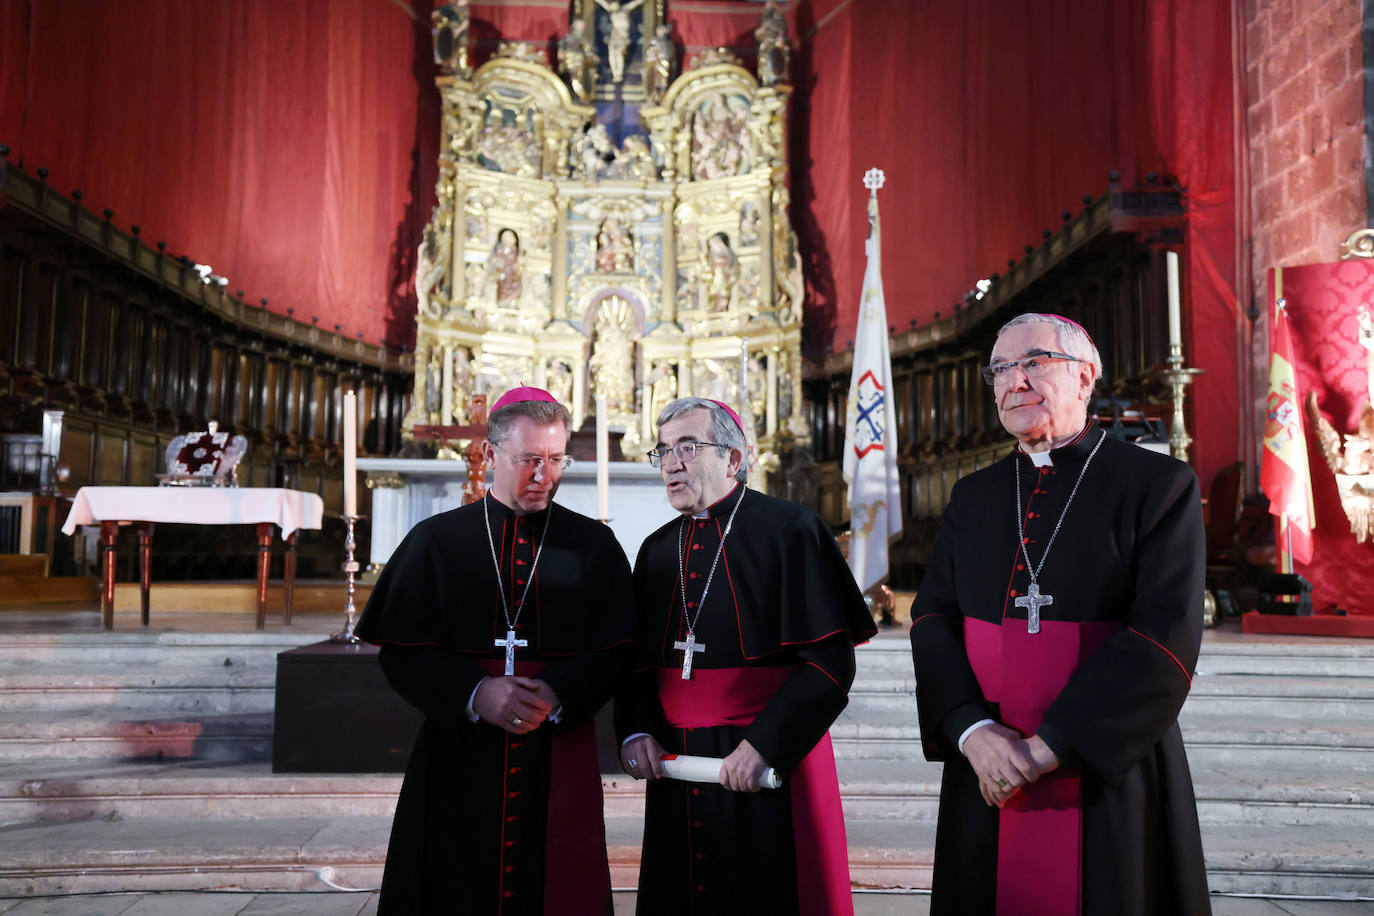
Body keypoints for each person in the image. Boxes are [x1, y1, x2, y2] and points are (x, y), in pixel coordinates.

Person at [909, 313, 1211, 915]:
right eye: (1000, 370)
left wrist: (1047, 748)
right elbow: (931, 618)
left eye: (1034, 363)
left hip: (1103, 768)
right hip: (988, 764)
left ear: (1084, 376)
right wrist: (971, 732)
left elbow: (1164, 637)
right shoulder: (975, 496)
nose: (1014, 381)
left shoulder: (1160, 485)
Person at [357, 386, 636, 915]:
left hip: (557, 745)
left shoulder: (592, 546)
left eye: (556, 460)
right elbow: (400, 651)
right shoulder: (435, 541)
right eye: (529, 459)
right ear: (490, 455)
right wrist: (475, 692)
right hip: (458, 749)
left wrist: (557, 691)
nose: (544, 476)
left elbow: (617, 649)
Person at [616, 397, 877, 916]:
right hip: (678, 761)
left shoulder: (791, 531)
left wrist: (765, 745)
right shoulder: (656, 549)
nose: (671, 462)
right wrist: (637, 729)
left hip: (765, 755)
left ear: (733, 461)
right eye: (663, 450)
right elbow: (637, 664)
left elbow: (830, 664)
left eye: (688, 447)